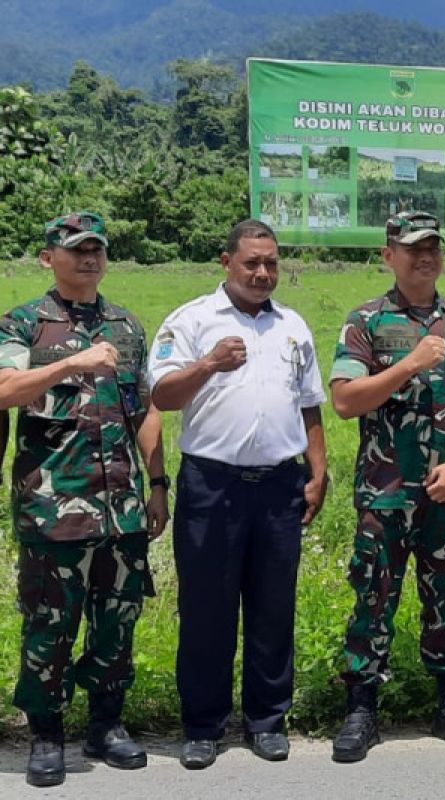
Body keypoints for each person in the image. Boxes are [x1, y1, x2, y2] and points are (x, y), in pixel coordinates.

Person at [149, 219, 329, 769]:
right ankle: (203, 725)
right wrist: (208, 364)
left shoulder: (293, 326)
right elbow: (161, 395)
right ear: (226, 261)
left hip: (279, 485)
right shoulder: (192, 321)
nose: (262, 272)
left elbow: (310, 404)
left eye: (271, 262)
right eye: (251, 261)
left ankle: (267, 720)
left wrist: (317, 470)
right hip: (213, 485)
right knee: (207, 609)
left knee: (274, 607)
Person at [0, 212, 169, 787]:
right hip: (53, 508)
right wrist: (72, 362)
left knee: (116, 622)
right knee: (49, 624)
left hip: (121, 509)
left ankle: (107, 722)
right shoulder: (24, 324)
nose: (88, 258)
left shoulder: (125, 325)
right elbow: (4, 391)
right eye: (75, 249)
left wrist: (159, 483)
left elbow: (144, 411)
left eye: (96, 248)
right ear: (49, 257)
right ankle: (46, 732)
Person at [329, 211, 445, 762]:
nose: (424, 257)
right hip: (385, 491)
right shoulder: (366, 321)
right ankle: (361, 708)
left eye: (432, 247)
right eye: (412, 248)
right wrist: (409, 363)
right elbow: (345, 400)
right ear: (388, 256)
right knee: (373, 596)